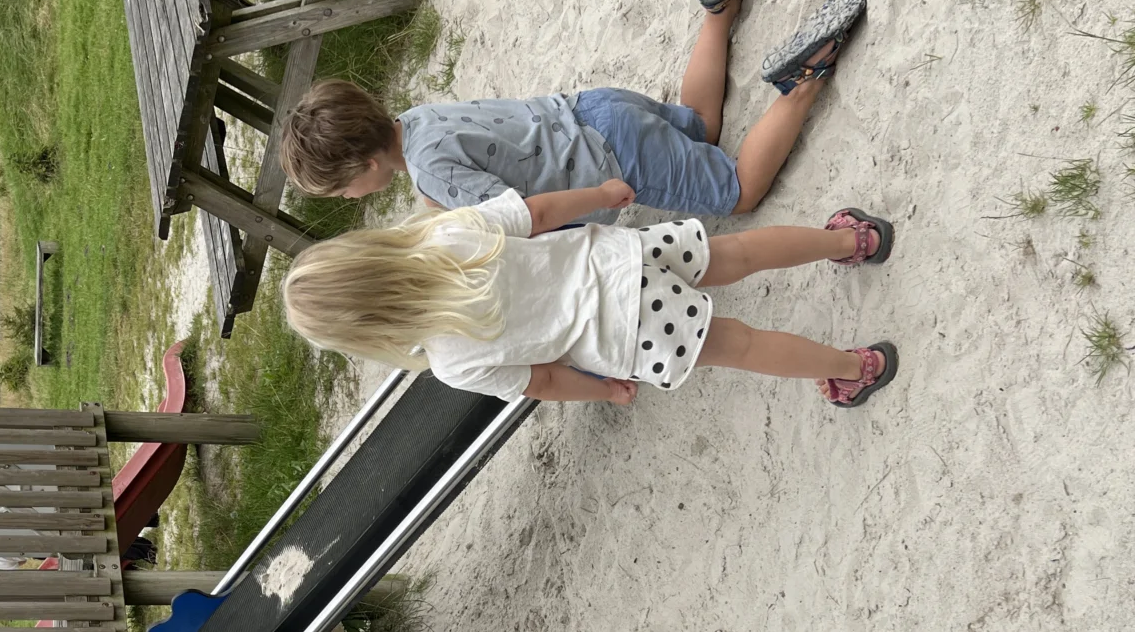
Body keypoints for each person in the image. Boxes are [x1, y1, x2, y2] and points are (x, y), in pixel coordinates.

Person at [277, 0, 867, 221]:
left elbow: (524, 217)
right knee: (698, 128)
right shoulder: (417, 121)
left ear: (367, 164)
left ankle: (801, 82)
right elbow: (464, 165)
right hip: (595, 109)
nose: (352, 198)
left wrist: (603, 199)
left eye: (343, 188)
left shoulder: (430, 173)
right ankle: (719, 11)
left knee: (736, 191)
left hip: (612, 162)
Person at [279, 180, 899, 409]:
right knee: (733, 253)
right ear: (363, 250)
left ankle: (855, 368)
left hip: (626, 332)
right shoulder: (447, 233)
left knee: (738, 343)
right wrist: (601, 196)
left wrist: (605, 388)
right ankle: (851, 242)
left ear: (364, 336)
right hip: (621, 256)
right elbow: (540, 210)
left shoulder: (452, 361)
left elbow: (543, 380)